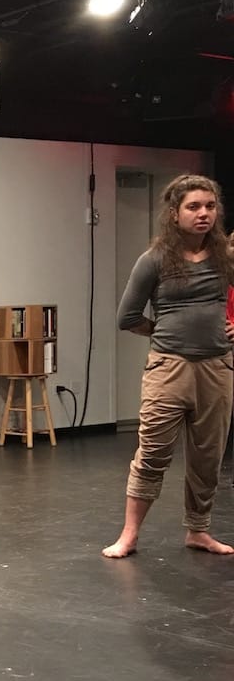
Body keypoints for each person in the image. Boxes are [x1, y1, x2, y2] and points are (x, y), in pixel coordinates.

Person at [106, 176, 234, 558]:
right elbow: (127, 316)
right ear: (174, 213)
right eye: (194, 207)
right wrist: (162, 331)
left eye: (210, 206)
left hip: (217, 367)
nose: (203, 214)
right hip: (170, 368)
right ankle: (129, 535)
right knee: (153, 452)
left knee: (208, 456)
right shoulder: (156, 259)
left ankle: (198, 530)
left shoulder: (225, 256)